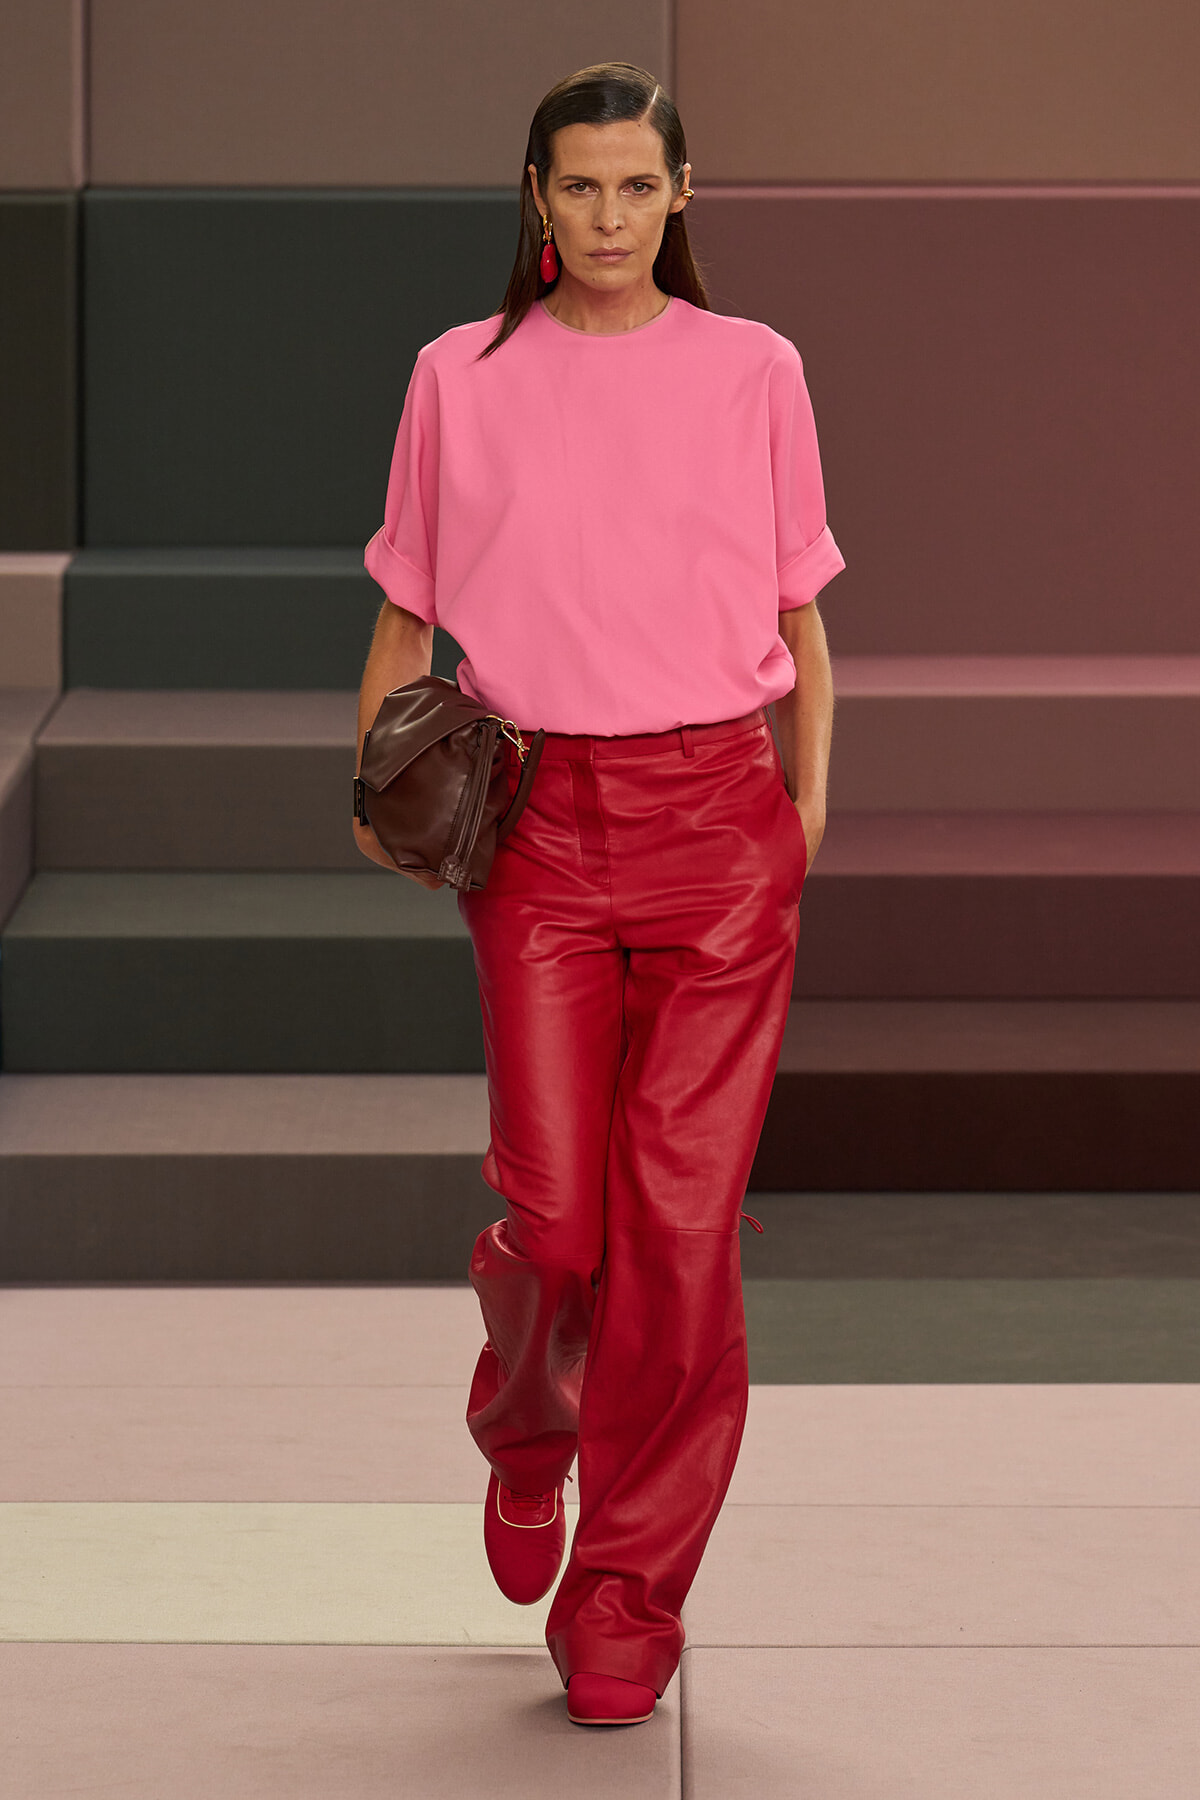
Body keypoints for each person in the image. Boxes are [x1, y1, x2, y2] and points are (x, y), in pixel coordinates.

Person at [355, 62, 844, 1728]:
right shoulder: (457, 379)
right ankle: (524, 1421)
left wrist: (806, 806)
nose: (612, 217)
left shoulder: (754, 371)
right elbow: (410, 616)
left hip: (719, 824)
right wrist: (375, 776)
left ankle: (629, 1595)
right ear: (536, 201)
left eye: (641, 187)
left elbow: (807, 616)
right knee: (561, 1222)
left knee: (685, 1241)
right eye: (582, 188)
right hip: (540, 831)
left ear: (682, 196)